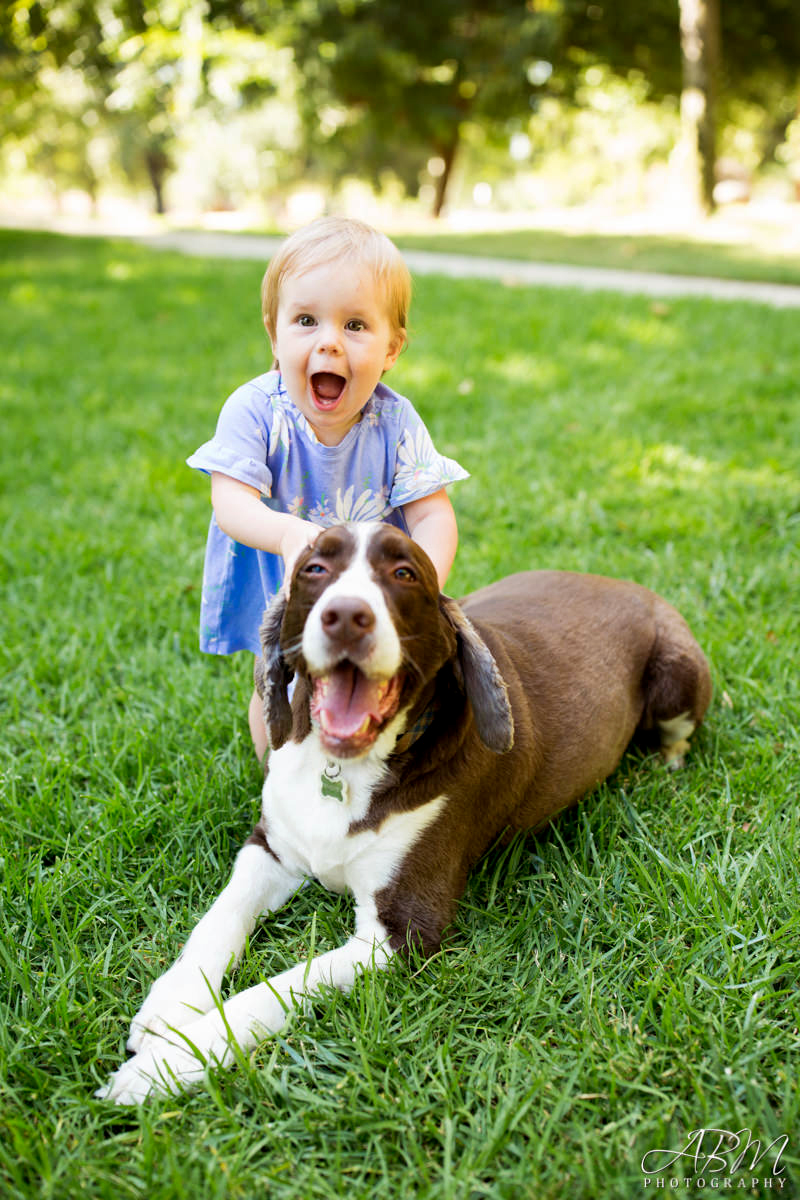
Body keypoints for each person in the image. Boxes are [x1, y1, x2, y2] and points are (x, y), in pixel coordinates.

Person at [187, 216, 469, 763]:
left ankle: (363, 762)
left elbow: (433, 516)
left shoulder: (396, 422)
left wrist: (421, 592)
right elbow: (231, 503)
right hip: (285, 580)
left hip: (369, 594)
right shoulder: (254, 410)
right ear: (275, 332)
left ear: (392, 348)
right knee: (280, 682)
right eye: (307, 320)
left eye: (357, 326)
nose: (330, 343)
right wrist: (292, 536)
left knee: (367, 676)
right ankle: (278, 774)